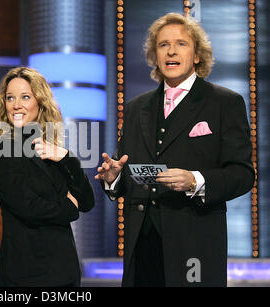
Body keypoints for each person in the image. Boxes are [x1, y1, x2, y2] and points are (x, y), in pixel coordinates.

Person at [95, 13, 254, 287]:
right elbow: (132, 176)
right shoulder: (135, 108)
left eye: (180, 43)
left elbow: (242, 174)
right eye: (163, 44)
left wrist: (196, 180)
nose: (171, 51)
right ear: (155, 56)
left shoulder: (224, 103)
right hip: (142, 247)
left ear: (196, 55)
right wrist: (114, 180)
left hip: (194, 245)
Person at [0, 67, 95, 287]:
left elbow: (86, 201)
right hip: (27, 275)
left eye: (25, 97)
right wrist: (68, 207)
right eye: (10, 98)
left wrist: (67, 159)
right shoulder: (3, 147)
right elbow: (29, 207)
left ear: (40, 102)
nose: (16, 105)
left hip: (64, 272)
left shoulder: (50, 149)